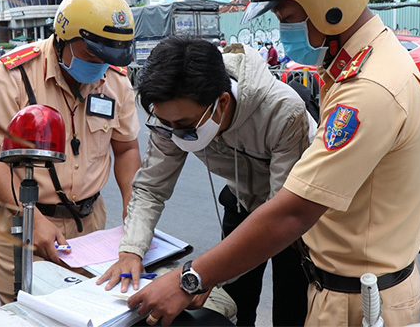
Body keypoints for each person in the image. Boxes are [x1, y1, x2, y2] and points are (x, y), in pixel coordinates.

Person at [126, 0, 420, 326]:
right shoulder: (361, 66)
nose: (284, 28)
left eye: (287, 16)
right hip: (343, 283)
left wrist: (190, 279)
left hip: (355, 299)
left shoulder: (369, 89)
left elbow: (289, 214)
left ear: (328, 5)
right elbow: (153, 184)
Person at [97, 36, 316, 326]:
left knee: (292, 305)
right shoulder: (173, 118)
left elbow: (280, 218)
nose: (175, 133)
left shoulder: (282, 111)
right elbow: (150, 188)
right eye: (167, 124)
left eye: (185, 126)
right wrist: (130, 251)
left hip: (294, 213)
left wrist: (200, 275)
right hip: (241, 200)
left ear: (222, 102)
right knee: (234, 302)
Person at [0, 0, 141, 304]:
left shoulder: (117, 82)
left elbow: (127, 149)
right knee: (25, 314)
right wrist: (31, 217)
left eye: (109, 57)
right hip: (24, 225)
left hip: (91, 231)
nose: (100, 65)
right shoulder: (10, 77)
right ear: (63, 37)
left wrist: (135, 215)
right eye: (92, 55)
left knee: (89, 310)